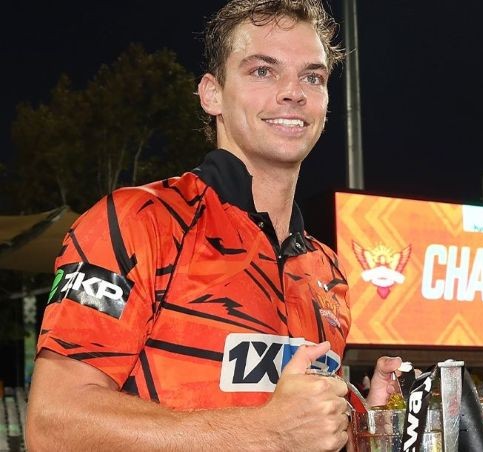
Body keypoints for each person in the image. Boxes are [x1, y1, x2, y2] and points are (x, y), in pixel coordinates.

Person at [25, 1, 401, 450]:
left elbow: (300, 429)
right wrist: (266, 432)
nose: (292, 92)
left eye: (312, 77)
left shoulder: (327, 271)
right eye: (263, 71)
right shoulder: (138, 220)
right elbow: (53, 425)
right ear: (211, 94)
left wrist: (367, 427)